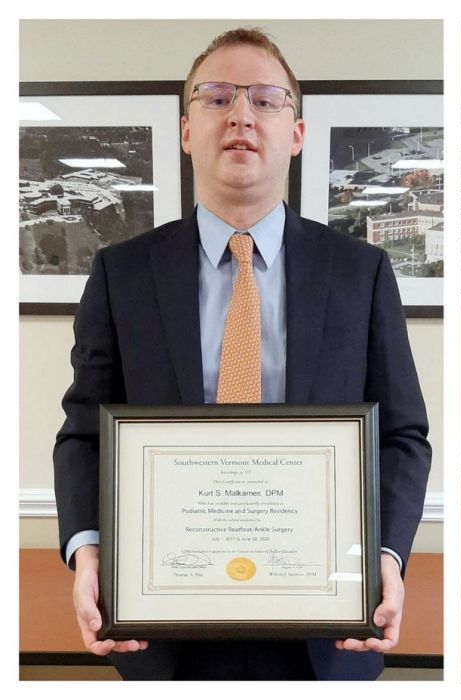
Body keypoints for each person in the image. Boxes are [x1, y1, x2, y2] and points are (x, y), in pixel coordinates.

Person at [53, 28, 431, 681]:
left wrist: (388, 556)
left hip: (327, 625)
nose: (240, 115)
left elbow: (402, 435)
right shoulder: (122, 274)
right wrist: (87, 551)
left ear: (297, 133)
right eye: (217, 97)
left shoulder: (360, 272)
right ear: (185, 130)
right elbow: (84, 434)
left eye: (265, 99)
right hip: (162, 623)